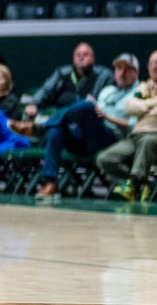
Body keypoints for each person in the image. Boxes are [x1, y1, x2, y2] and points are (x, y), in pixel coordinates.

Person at [34, 53, 142, 197]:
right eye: (118, 68)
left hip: (112, 139)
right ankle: (51, 182)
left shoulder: (140, 92)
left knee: (86, 107)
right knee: (56, 130)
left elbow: (134, 125)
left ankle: (41, 126)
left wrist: (108, 117)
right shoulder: (108, 91)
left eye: (127, 69)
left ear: (136, 72)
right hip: (89, 137)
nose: (121, 73)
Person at [96, 49, 157, 201]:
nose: (154, 67)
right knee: (104, 158)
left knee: (149, 140)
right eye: (151, 63)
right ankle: (143, 185)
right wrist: (156, 102)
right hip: (138, 135)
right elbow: (130, 107)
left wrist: (144, 109)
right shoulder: (145, 86)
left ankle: (134, 184)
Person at [23, 41, 112, 140]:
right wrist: (34, 104)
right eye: (77, 55)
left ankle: (42, 127)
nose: (81, 57)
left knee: (84, 104)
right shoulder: (62, 73)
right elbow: (46, 89)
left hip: (86, 121)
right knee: (54, 131)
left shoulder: (104, 76)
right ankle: (47, 126)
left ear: (93, 58)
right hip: (60, 117)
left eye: (85, 54)